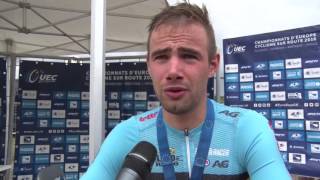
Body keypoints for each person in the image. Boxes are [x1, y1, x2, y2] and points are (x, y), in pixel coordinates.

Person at [81, 3, 291, 180]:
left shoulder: (246, 128)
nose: (173, 71)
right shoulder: (127, 134)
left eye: (189, 56)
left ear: (212, 64)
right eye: (161, 57)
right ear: (148, 65)